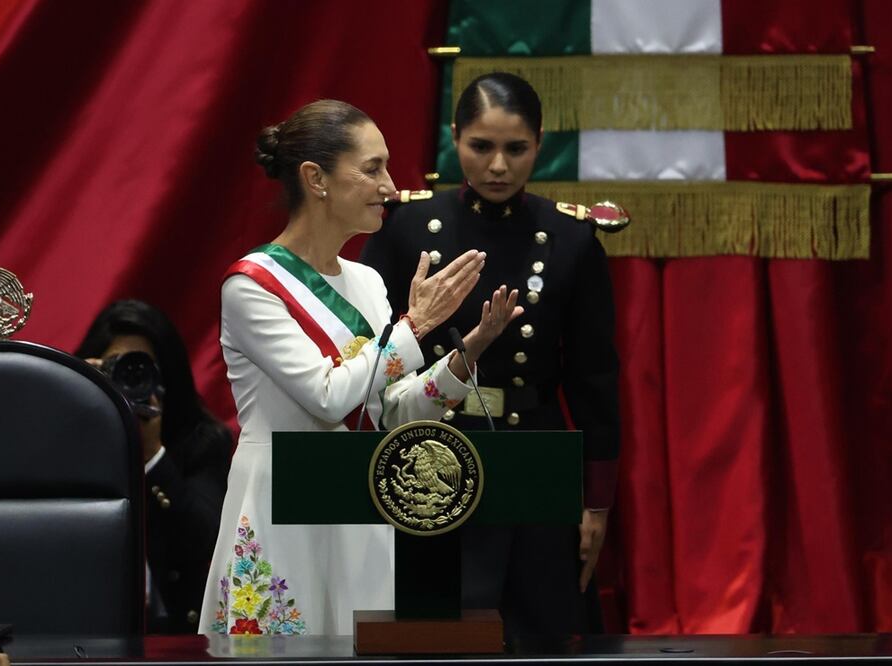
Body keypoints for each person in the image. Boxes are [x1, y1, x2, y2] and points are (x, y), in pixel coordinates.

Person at [198, 99, 522, 637]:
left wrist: (466, 355)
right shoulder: (251, 286)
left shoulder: (367, 282)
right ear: (315, 179)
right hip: (281, 500)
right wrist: (415, 325)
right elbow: (328, 398)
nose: (390, 187)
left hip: (357, 499)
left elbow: (393, 413)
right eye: (372, 169)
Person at [360, 72, 621, 648]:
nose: (498, 165)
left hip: (534, 452)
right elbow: (373, 359)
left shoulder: (571, 237)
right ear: (454, 137)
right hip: (429, 453)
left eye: (516, 148)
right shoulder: (406, 226)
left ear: (540, 143)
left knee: (540, 634)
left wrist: (596, 502)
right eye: (481, 146)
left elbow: (594, 380)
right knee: (433, 636)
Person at [76, 299, 232, 634]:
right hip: (89, 622)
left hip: (175, 629)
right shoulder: (71, 441)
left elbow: (203, 540)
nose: (127, 380)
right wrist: (78, 394)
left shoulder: (203, 442)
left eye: (140, 369)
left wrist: (152, 453)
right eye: (113, 367)